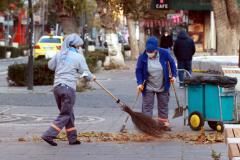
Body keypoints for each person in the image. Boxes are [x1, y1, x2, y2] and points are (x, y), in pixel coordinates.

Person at [41, 33, 96, 146]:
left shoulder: (60, 54)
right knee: (65, 114)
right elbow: (85, 72)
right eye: (79, 46)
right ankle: (49, 134)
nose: (80, 48)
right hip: (68, 88)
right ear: (75, 46)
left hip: (57, 88)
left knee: (69, 113)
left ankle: (72, 138)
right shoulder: (78, 57)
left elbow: (50, 66)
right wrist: (92, 77)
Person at [136, 36, 177, 128]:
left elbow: (172, 64)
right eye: (148, 51)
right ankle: (147, 124)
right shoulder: (142, 57)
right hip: (148, 85)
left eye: (151, 52)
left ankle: (163, 124)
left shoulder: (164, 54)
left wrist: (174, 76)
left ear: (156, 49)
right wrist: (139, 83)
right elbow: (138, 70)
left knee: (163, 105)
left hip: (163, 84)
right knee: (147, 106)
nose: (149, 53)